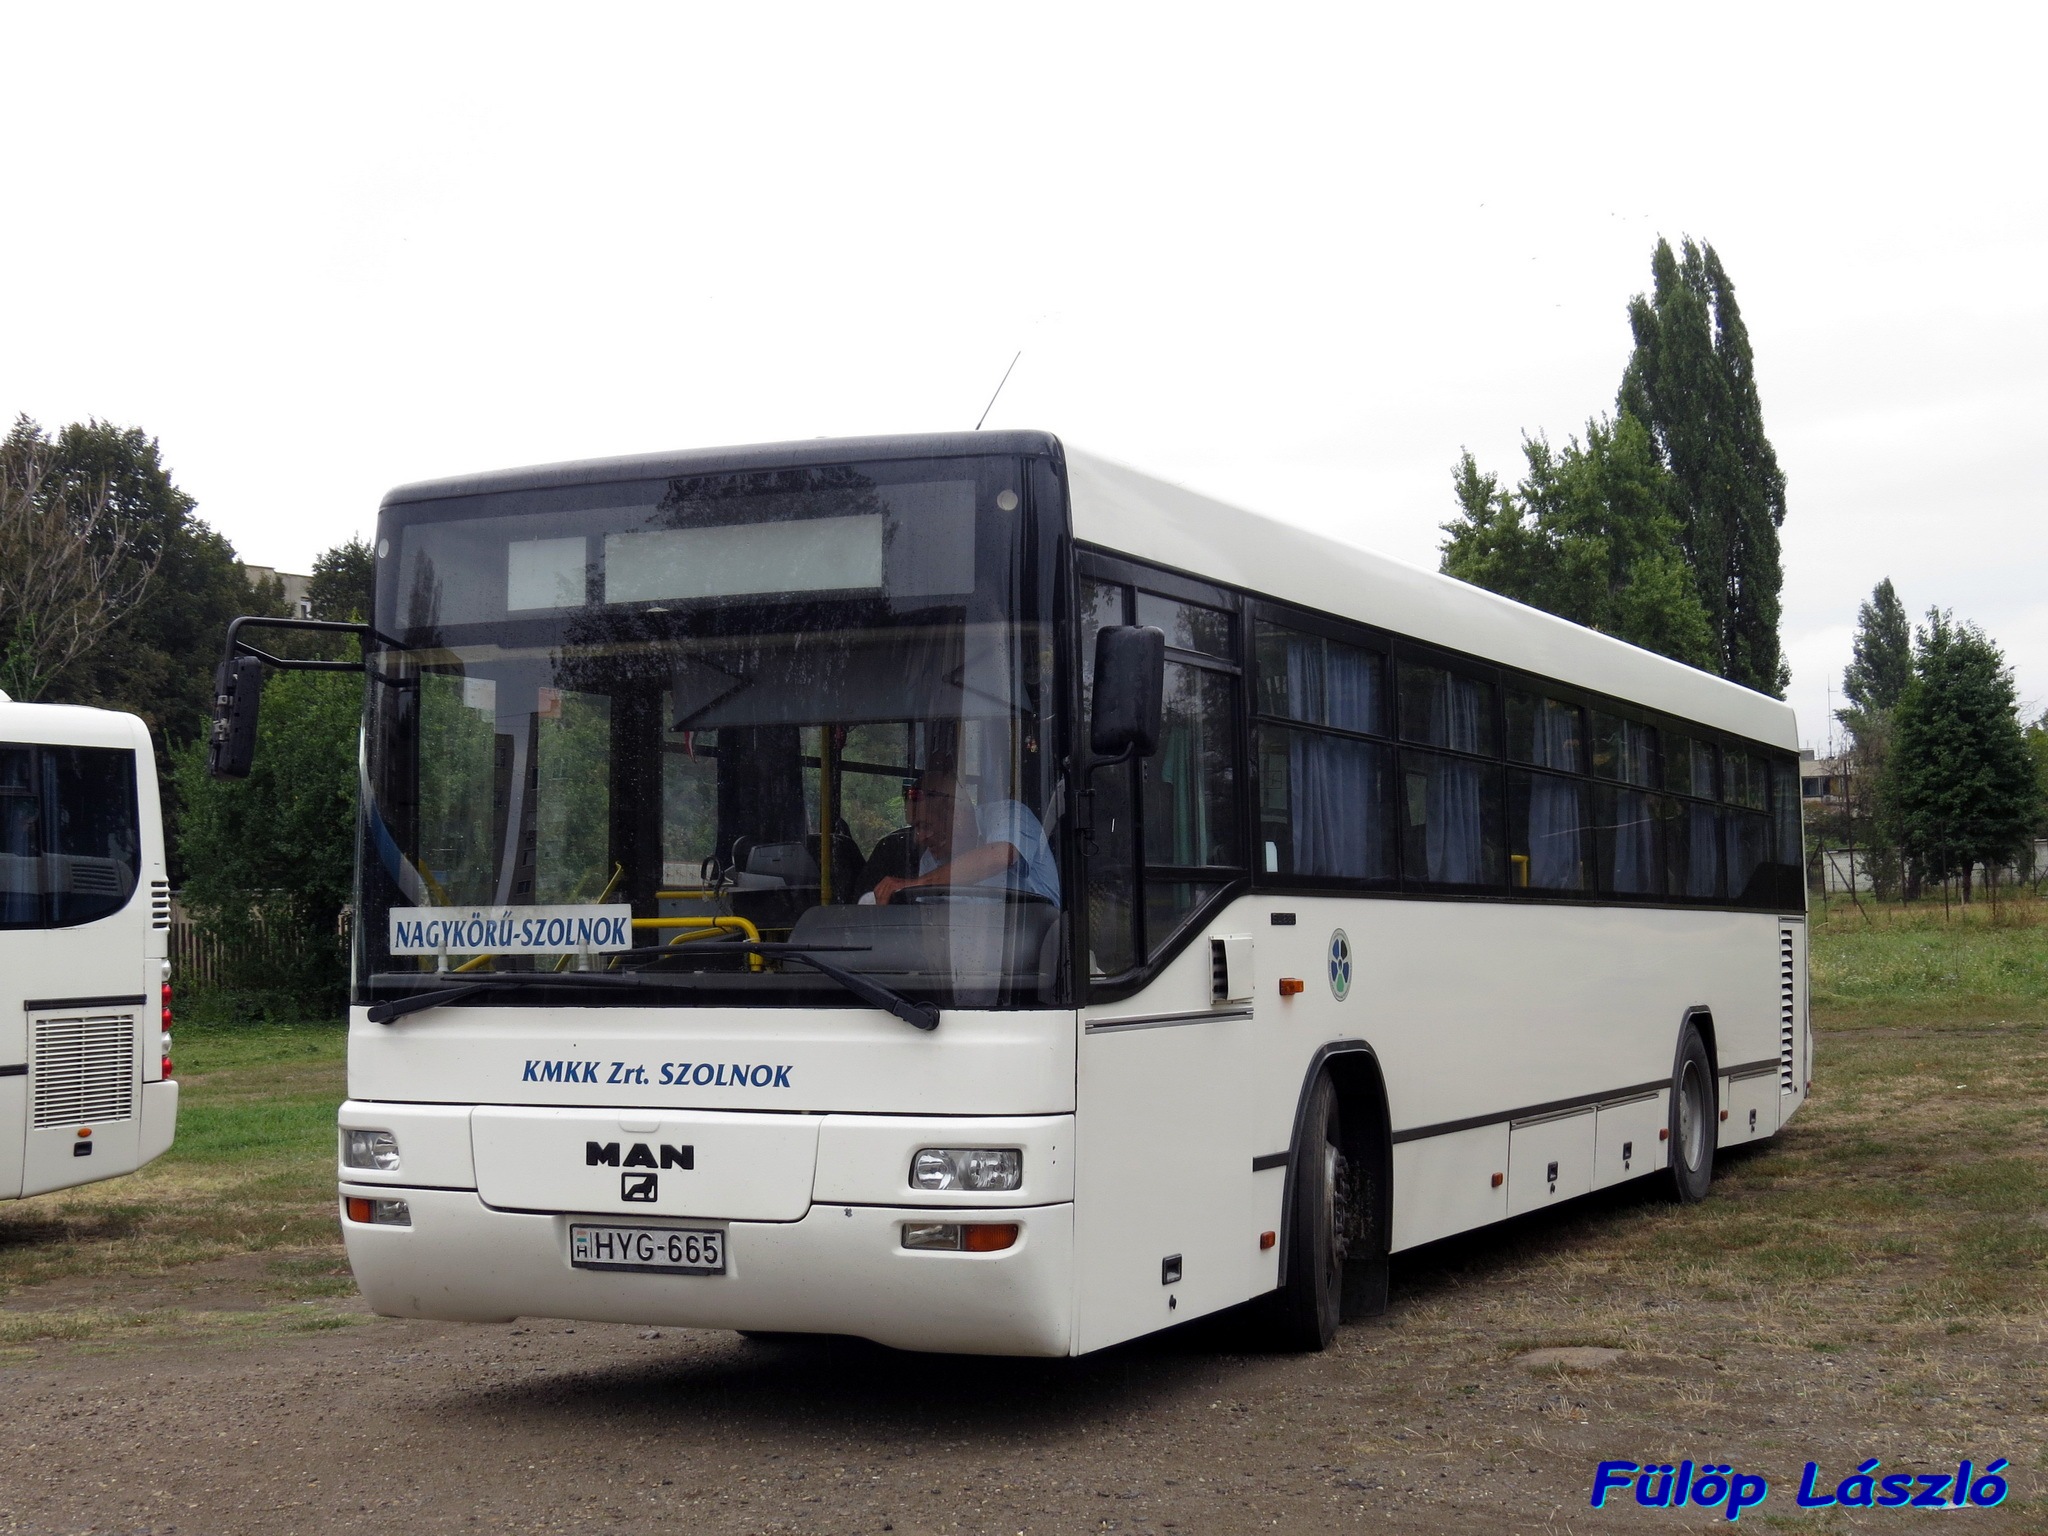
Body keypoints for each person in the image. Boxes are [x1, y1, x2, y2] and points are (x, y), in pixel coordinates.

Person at [868, 768, 1059, 906]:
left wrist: (915, 884)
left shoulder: (1009, 815)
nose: (918, 838)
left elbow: (1001, 856)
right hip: (967, 946)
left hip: (1037, 943)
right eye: (915, 827)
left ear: (955, 814)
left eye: (925, 826)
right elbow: (930, 926)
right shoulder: (930, 862)